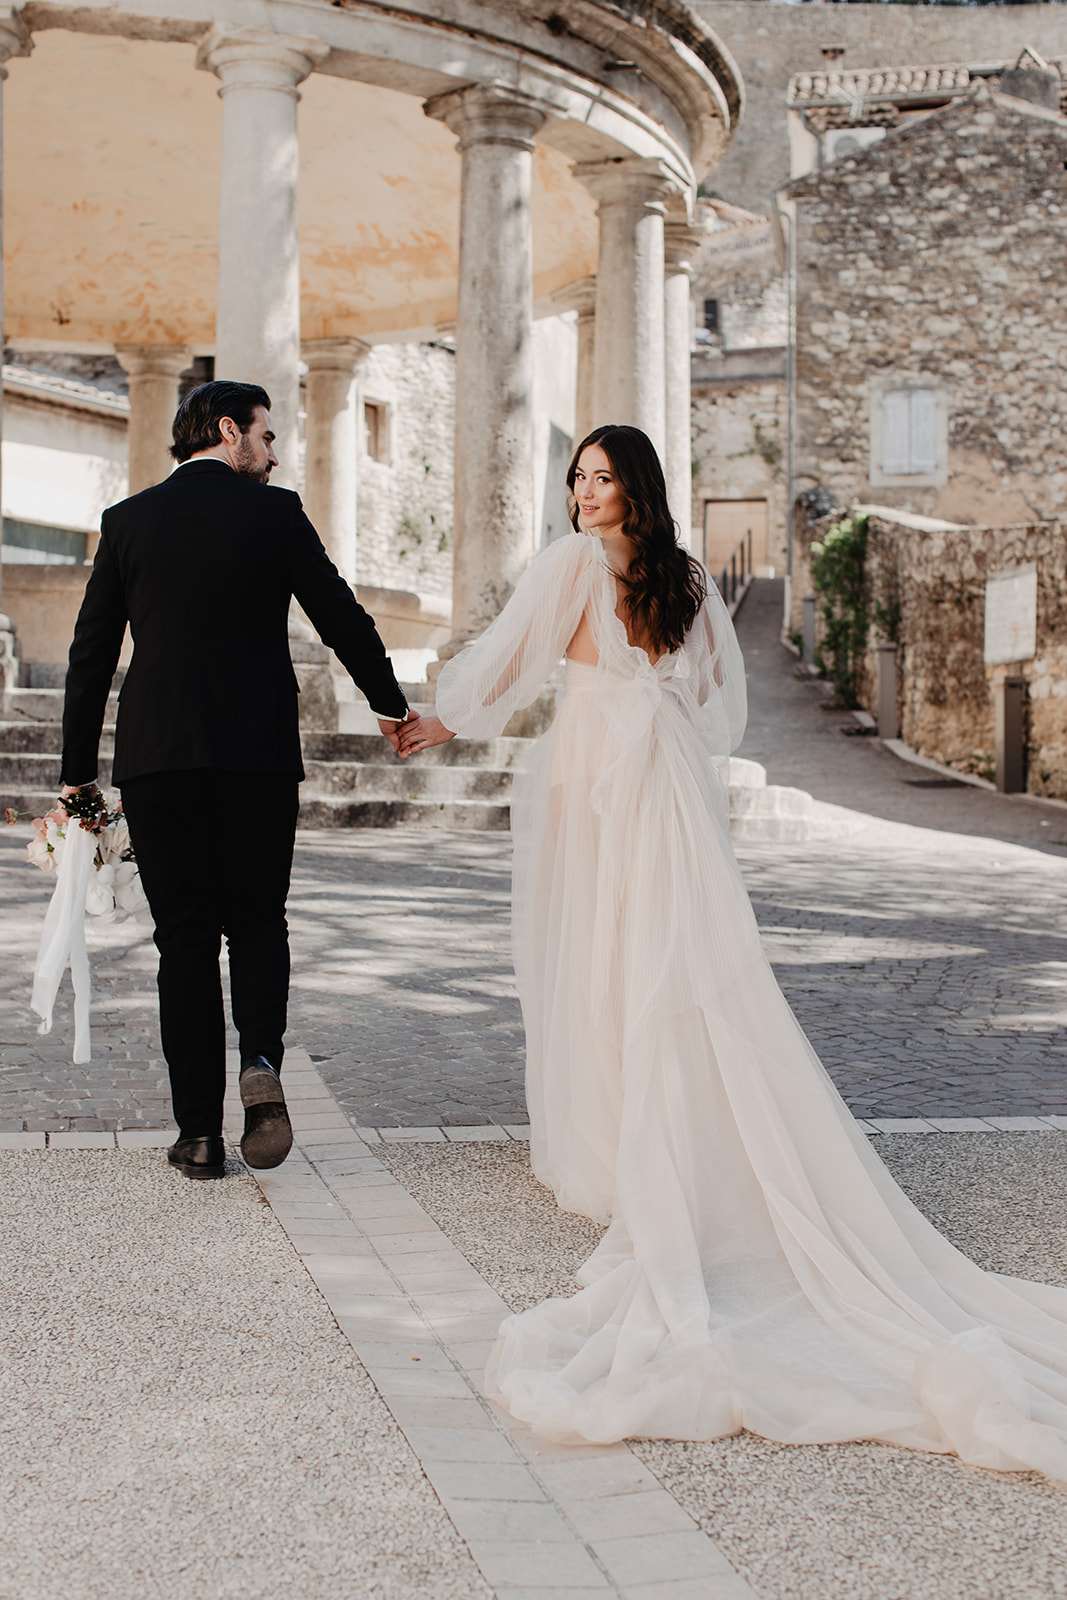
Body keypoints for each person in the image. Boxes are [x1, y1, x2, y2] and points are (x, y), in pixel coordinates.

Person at [397, 424, 1067, 1482]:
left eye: (600, 478)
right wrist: (643, 707)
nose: (583, 493)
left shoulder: (572, 566)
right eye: (577, 477)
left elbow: (511, 662)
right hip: (661, 777)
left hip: (599, 775)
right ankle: (672, 1127)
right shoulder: (683, 575)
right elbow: (719, 704)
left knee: (607, 954)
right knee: (677, 958)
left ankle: (623, 1140)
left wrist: (439, 720)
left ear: (632, 490)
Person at [60, 380, 415, 1180]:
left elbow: (90, 659)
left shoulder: (127, 522)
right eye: (267, 434)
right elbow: (341, 618)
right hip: (255, 753)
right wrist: (389, 707)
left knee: (183, 941)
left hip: (159, 758)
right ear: (229, 431)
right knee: (258, 922)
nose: (276, 451)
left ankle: (198, 1135)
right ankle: (260, 1062)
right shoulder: (274, 513)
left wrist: (77, 776)